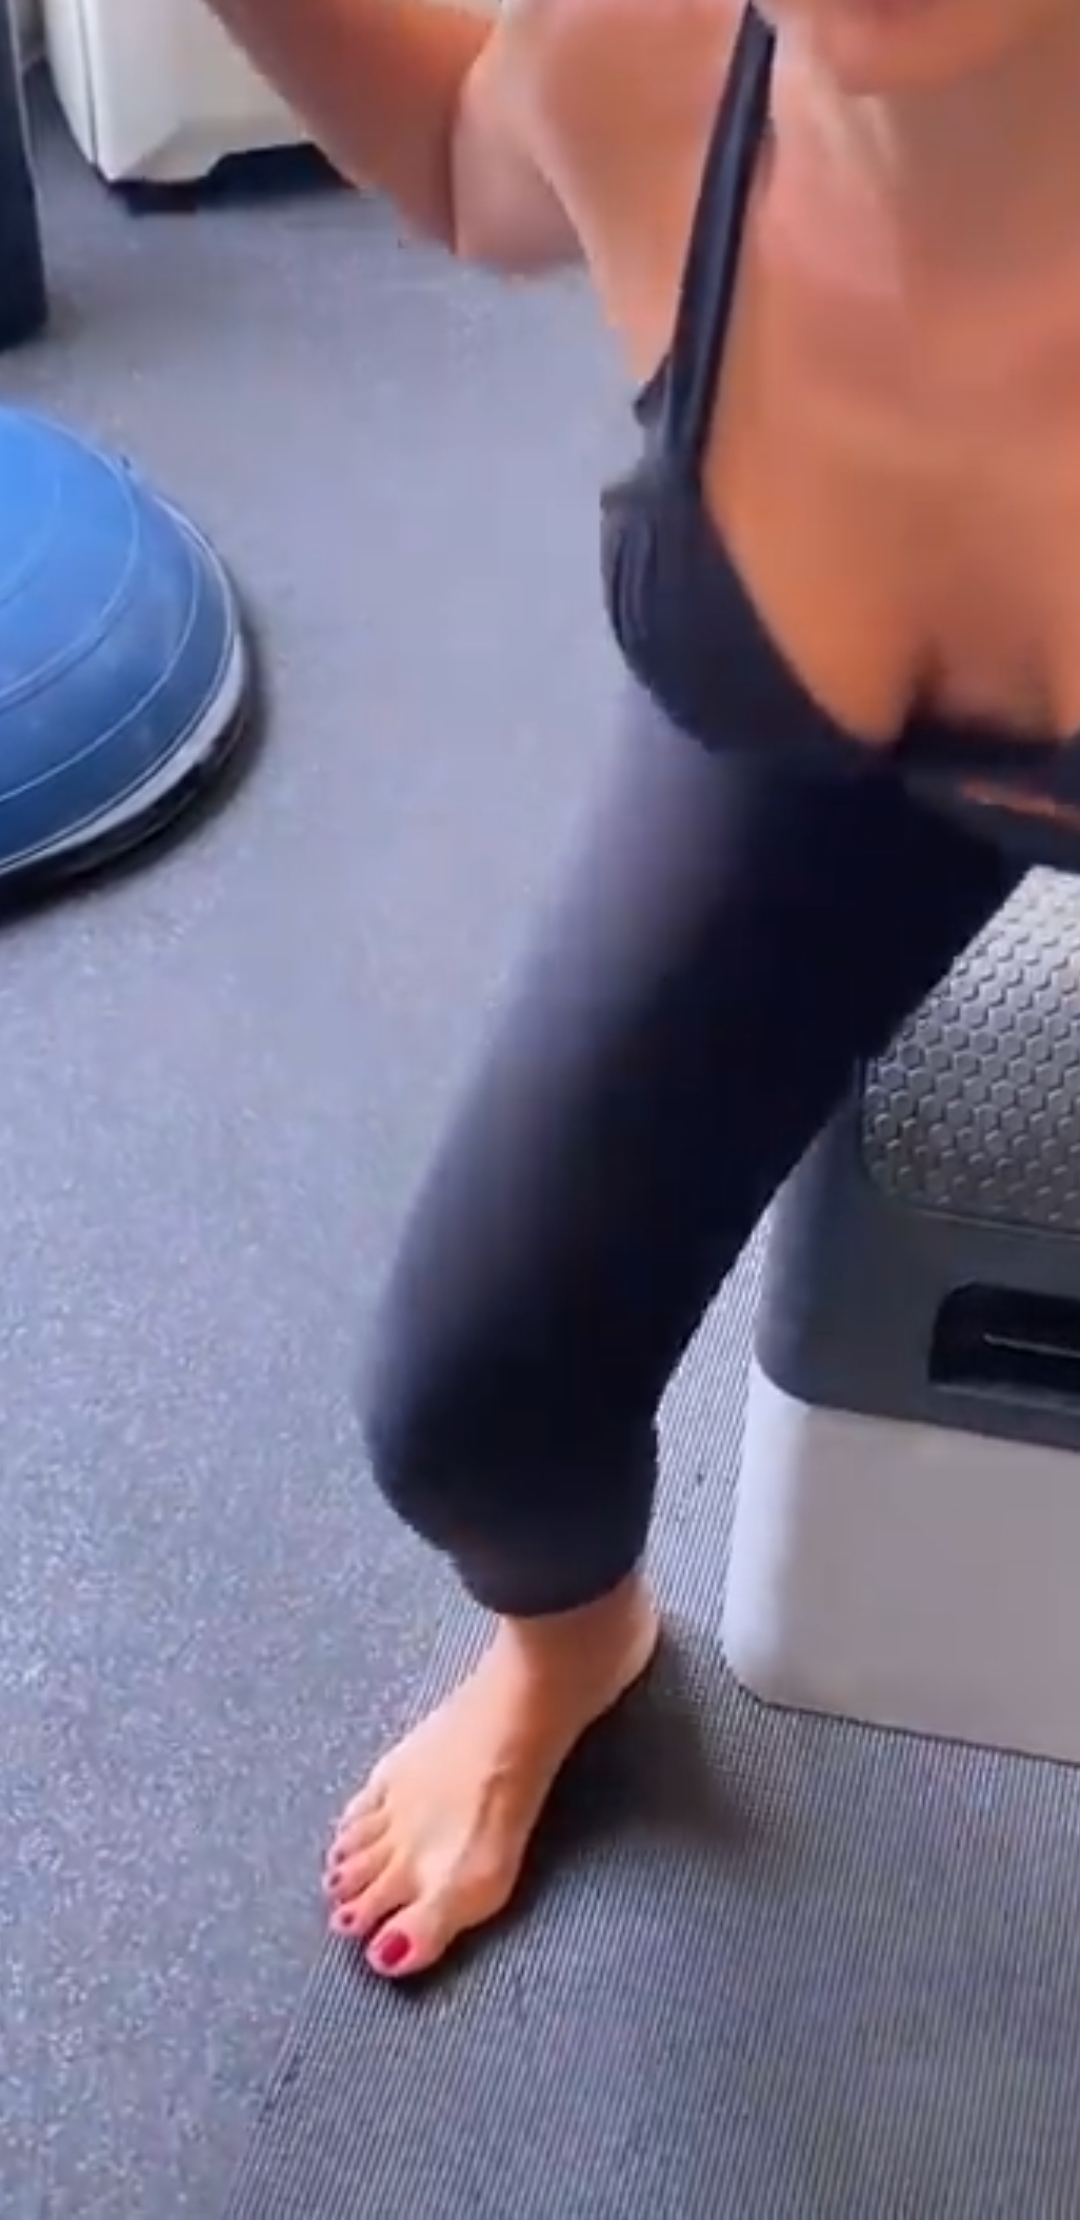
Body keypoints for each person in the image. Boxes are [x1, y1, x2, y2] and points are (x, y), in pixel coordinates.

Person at [205, 0, 1080, 1979]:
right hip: (830, 742)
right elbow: (462, 156)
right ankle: (574, 1650)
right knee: (475, 1411)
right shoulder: (658, 62)